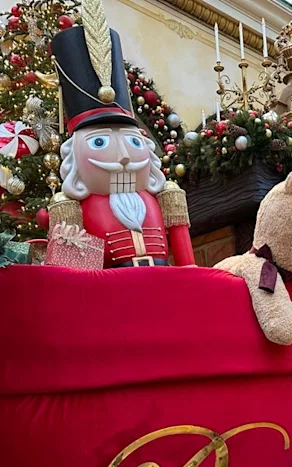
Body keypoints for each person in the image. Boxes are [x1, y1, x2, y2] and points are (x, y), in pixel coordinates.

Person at [48, 0, 195, 268]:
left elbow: (187, 262)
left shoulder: (162, 195)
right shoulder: (72, 208)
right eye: (100, 141)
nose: (125, 156)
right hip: (110, 296)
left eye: (132, 140)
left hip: (165, 286)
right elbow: (73, 275)